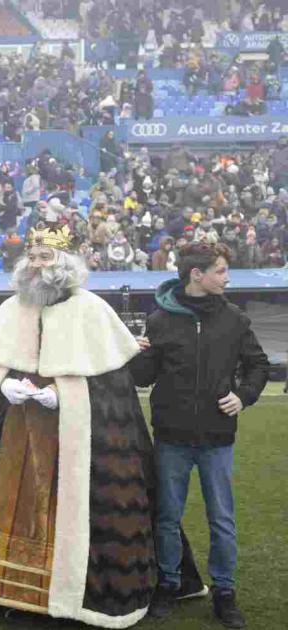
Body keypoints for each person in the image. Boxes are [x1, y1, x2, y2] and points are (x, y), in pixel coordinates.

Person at [0, 224, 190, 628]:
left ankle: (74, 599)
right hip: (19, 443)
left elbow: (114, 389)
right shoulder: (8, 310)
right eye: (32, 258)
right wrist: (2, 387)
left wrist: (65, 397)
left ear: (65, 263)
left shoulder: (93, 310)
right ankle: (16, 593)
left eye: (46, 257)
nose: (37, 265)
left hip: (82, 452)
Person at [130, 242, 268, 629]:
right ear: (197, 275)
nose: (227, 277)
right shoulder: (159, 321)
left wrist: (243, 396)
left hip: (217, 438)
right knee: (167, 518)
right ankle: (169, 585)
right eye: (221, 270)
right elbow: (142, 377)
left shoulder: (235, 319)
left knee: (221, 519)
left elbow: (258, 365)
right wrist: (136, 351)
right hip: (171, 437)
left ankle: (224, 591)